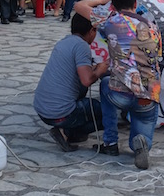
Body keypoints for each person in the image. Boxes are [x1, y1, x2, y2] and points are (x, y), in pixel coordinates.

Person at [75, 0, 162, 170]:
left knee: (105, 83)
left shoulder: (110, 21)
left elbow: (78, 6)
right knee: (144, 126)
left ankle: (110, 142)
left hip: (119, 92)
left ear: (113, 6)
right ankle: (141, 143)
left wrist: (99, 0)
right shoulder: (153, 28)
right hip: (148, 95)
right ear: (135, 3)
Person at [33, 13, 108, 152]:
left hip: (42, 109)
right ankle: (67, 132)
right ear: (91, 31)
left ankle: (71, 132)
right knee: (106, 113)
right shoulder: (82, 46)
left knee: (87, 100)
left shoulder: (63, 42)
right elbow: (86, 80)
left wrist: (93, 69)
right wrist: (100, 70)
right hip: (60, 112)